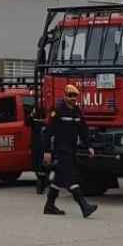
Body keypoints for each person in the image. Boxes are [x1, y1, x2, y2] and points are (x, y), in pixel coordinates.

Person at [43, 83, 97, 218]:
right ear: (65, 96)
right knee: (71, 178)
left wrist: (89, 146)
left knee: (59, 180)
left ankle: (49, 206)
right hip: (61, 150)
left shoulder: (77, 111)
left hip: (72, 149)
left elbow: (83, 130)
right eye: (70, 96)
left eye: (75, 96)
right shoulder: (57, 110)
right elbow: (48, 132)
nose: (72, 98)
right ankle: (84, 206)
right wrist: (47, 151)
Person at [30, 101, 50, 195]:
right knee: (37, 165)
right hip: (37, 146)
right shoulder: (35, 123)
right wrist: (32, 113)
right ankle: (42, 182)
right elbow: (28, 121)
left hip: (43, 147)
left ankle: (43, 183)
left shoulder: (46, 124)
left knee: (43, 166)